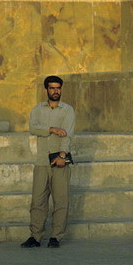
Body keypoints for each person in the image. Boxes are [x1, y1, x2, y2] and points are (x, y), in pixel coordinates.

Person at [21, 75, 75, 249]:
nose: (55, 91)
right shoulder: (38, 109)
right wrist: (51, 129)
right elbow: (32, 128)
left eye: (58, 88)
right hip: (41, 161)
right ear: (46, 90)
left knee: (61, 201)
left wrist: (62, 155)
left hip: (60, 160)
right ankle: (35, 237)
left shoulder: (67, 110)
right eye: (52, 88)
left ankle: (55, 237)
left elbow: (67, 134)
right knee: (37, 201)